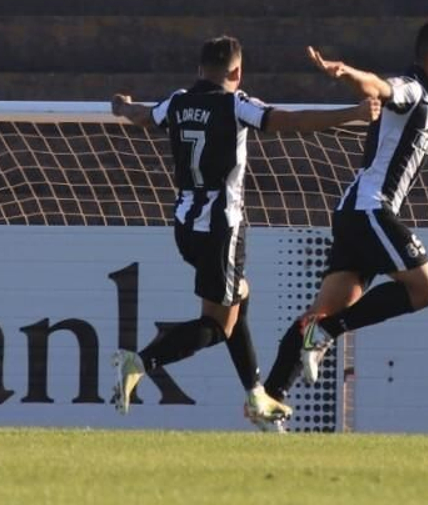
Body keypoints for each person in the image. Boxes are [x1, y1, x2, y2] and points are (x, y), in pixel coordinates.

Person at [108, 35, 378, 431]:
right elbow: (292, 122)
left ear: (200, 70)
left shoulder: (178, 101)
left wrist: (120, 105)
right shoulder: (236, 104)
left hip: (185, 228)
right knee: (218, 325)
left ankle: (257, 395)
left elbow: (144, 116)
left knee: (240, 297)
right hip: (223, 231)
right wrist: (352, 112)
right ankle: (139, 362)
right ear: (237, 72)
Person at [263, 17, 428, 405]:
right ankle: (325, 335)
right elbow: (379, 86)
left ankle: (267, 400)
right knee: (426, 290)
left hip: (353, 212)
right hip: (369, 210)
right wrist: (345, 73)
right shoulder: (413, 88)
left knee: (321, 311)